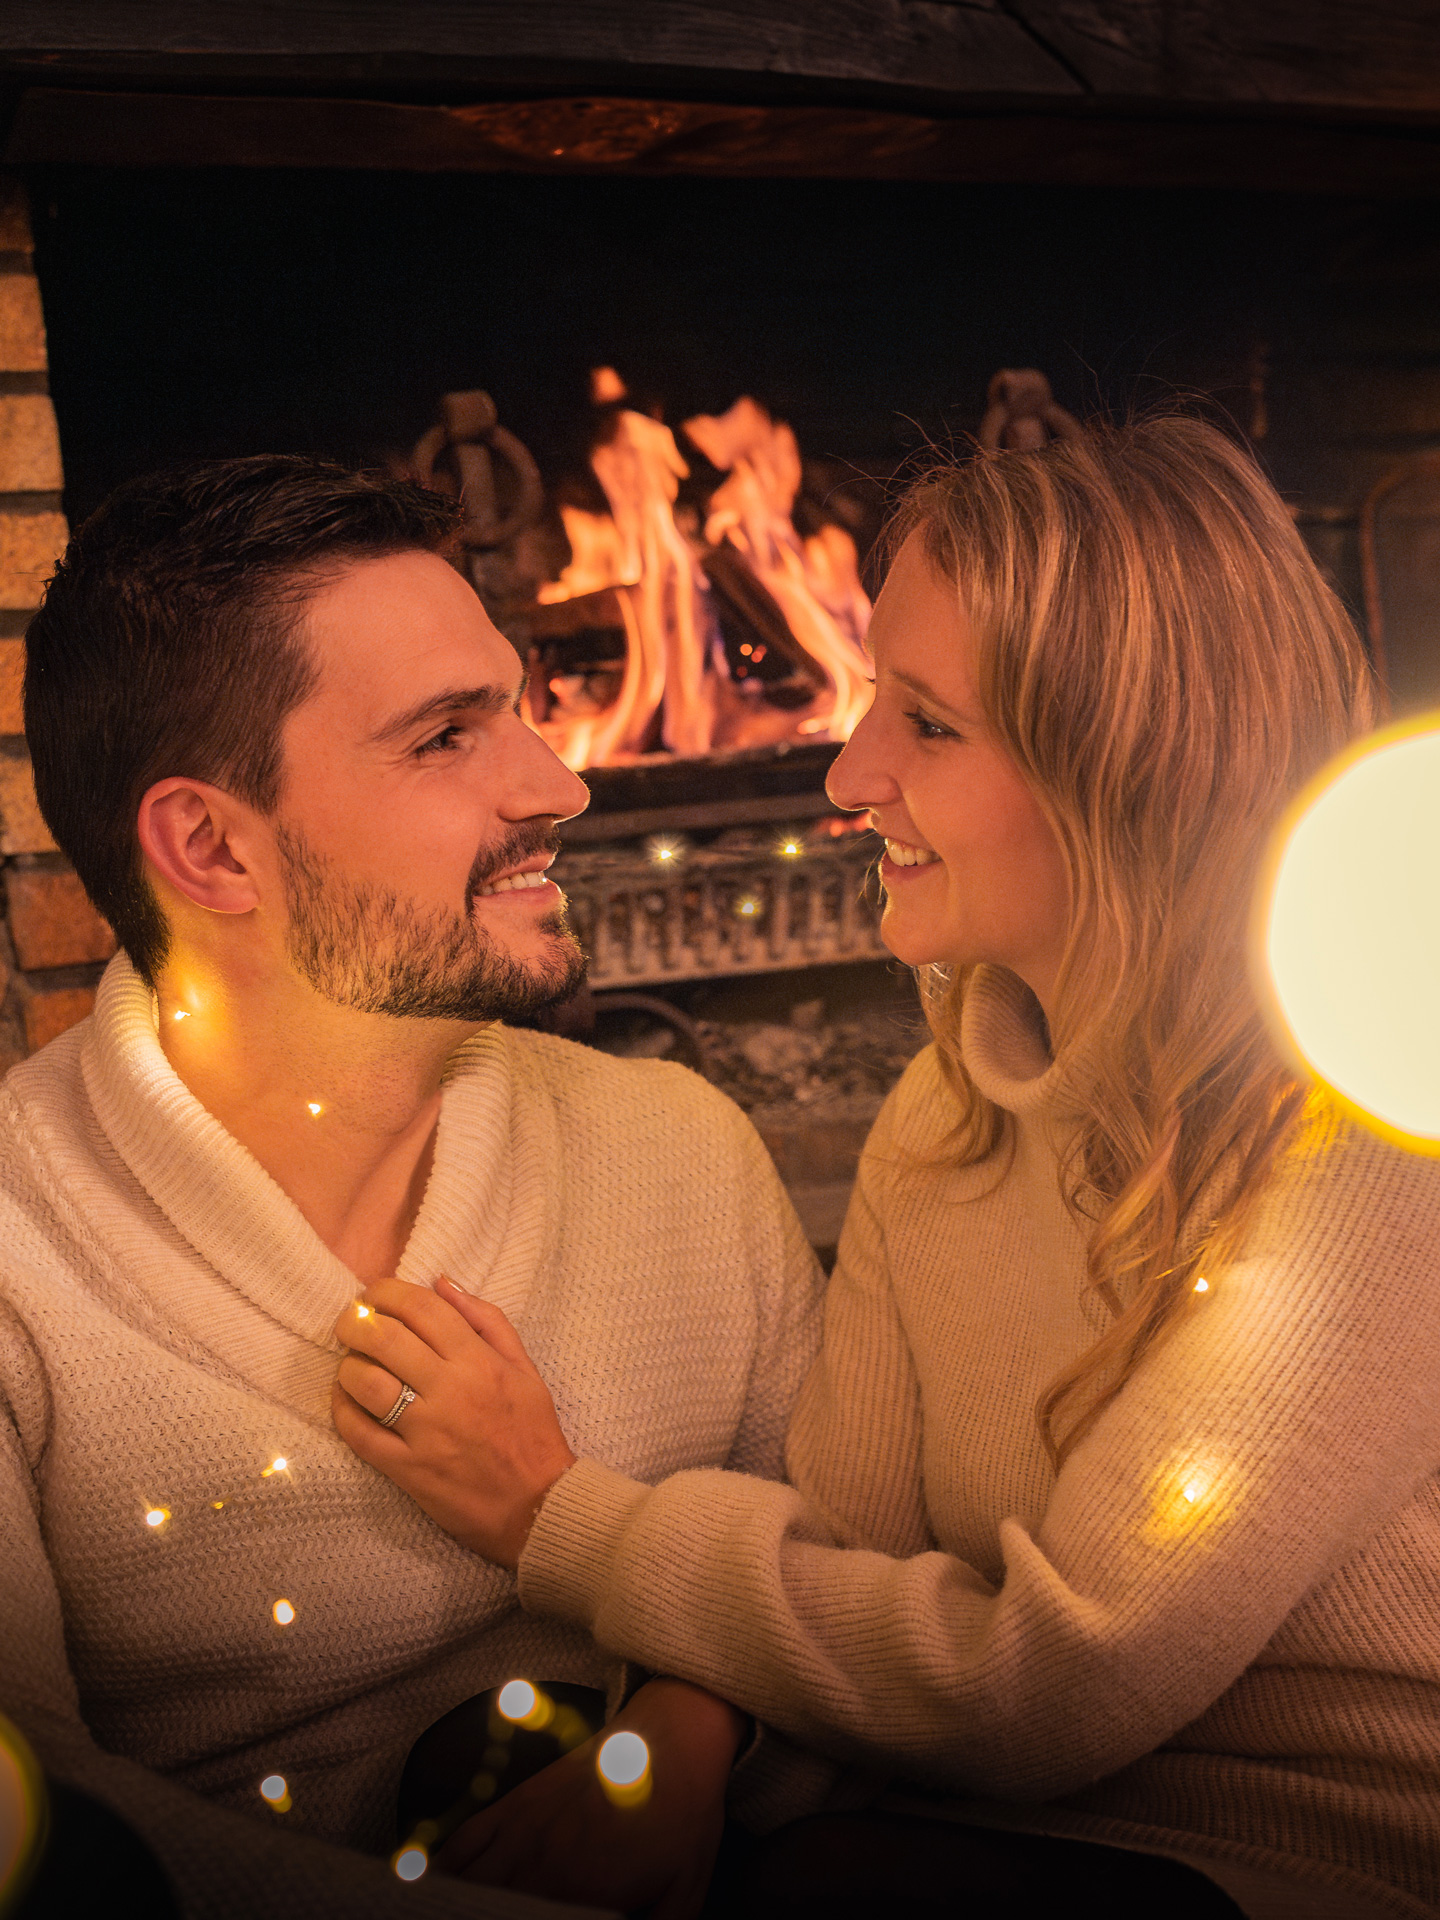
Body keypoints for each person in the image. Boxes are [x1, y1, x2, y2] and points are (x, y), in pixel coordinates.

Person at [339, 417, 1440, 1920]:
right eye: (871, 697)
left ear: (1126, 771)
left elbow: (1054, 1683)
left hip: (1292, 1862)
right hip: (974, 1823)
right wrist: (677, 1739)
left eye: (928, 722)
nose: (850, 773)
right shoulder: (952, 1105)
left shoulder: (1363, 1145)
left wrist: (557, 1519)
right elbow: (843, 1541)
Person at [0, 457, 823, 1919]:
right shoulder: (20, 1252)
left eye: (517, 708)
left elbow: (831, 1580)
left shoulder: (680, 1150)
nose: (559, 784)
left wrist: (695, 1734)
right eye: (447, 738)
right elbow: (37, 1827)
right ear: (209, 846)